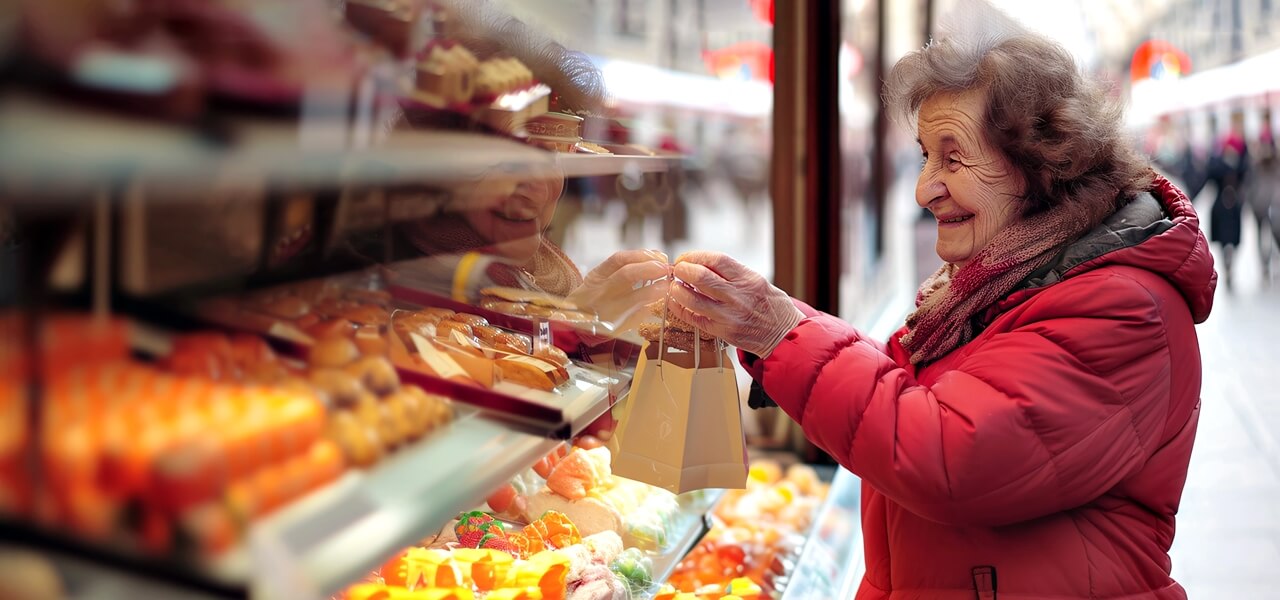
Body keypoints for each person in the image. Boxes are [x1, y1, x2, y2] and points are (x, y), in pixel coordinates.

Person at [659, 32, 1216, 599]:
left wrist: (782, 332)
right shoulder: (1004, 281)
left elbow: (949, 453)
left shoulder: (1123, 308)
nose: (926, 189)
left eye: (954, 157)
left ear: (1045, 163)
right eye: (926, 156)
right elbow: (931, 392)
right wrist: (759, 321)